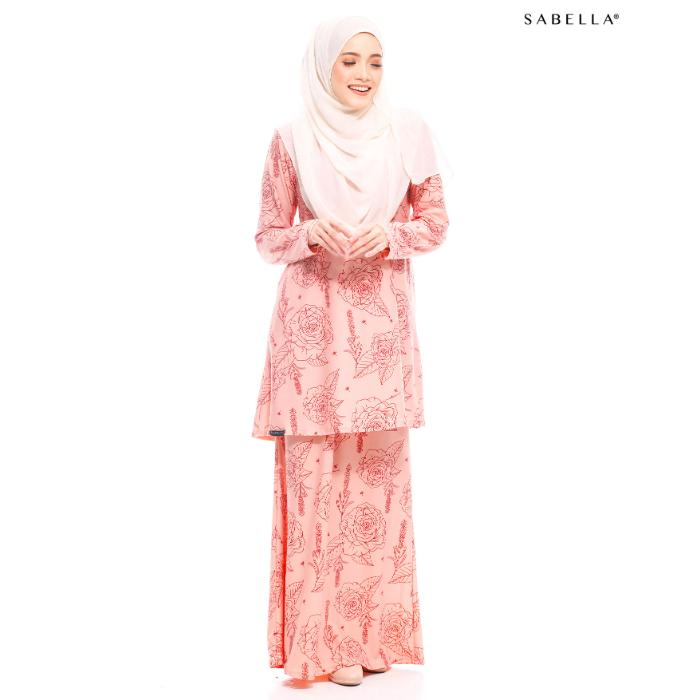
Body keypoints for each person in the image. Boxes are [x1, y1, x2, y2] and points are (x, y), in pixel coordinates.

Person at [251, 15, 452, 686]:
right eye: (349, 62)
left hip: (382, 335)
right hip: (311, 337)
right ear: (324, 68)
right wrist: (311, 234)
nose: (364, 74)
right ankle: (324, 644)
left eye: (375, 61)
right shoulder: (291, 140)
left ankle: (373, 635)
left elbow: (435, 224)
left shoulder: (409, 132)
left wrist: (391, 236)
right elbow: (266, 237)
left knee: (377, 489)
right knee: (315, 486)